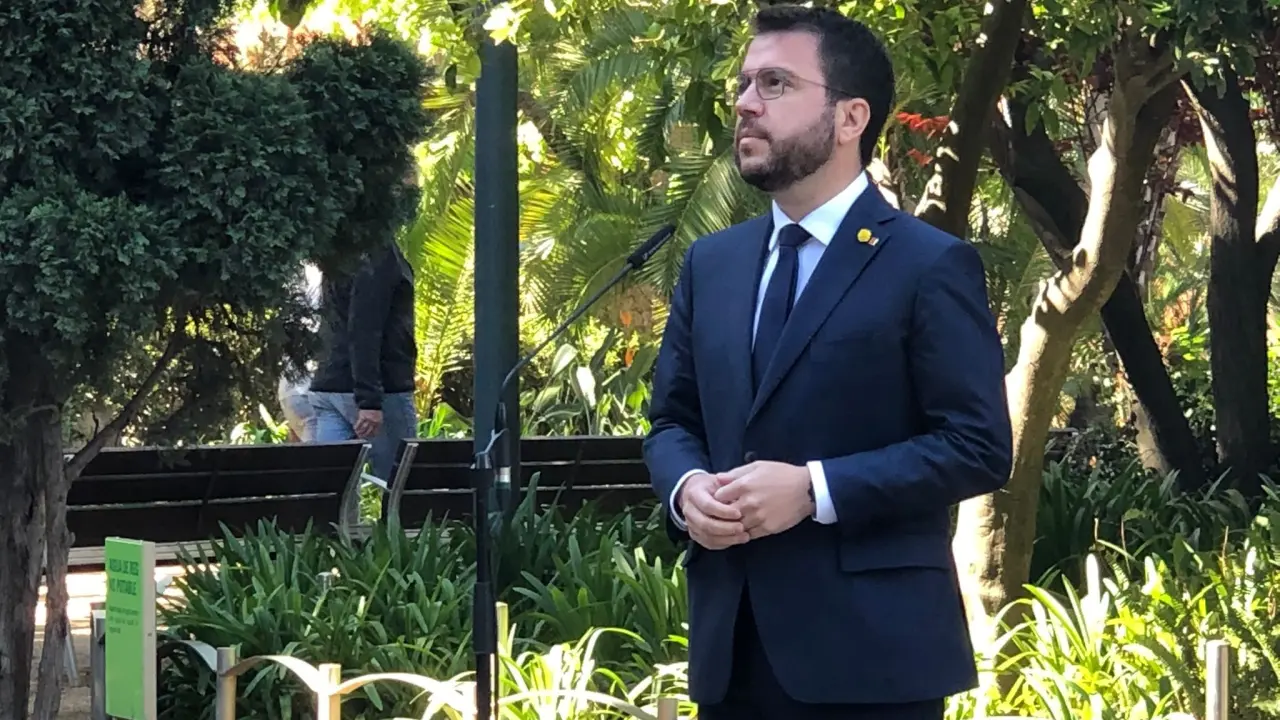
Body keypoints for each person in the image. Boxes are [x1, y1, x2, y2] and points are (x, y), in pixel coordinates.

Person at [642, 6, 1013, 720]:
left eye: (776, 84)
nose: (746, 103)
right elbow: (672, 421)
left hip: (874, 663)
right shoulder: (711, 264)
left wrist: (814, 489)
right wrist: (687, 490)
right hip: (731, 654)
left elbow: (977, 445)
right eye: (744, 83)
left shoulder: (928, 264)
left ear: (850, 118)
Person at [309, 241, 418, 481]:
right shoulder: (378, 254)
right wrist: (369, 400)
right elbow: (365, 328)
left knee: (334, 490)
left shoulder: (338, 252)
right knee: (399, 483)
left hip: (329, 384)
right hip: (377, 390)